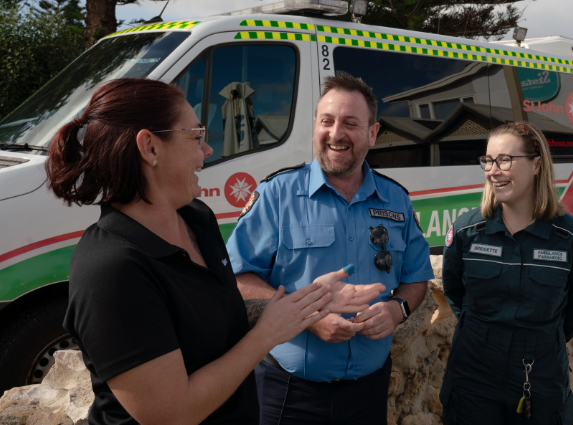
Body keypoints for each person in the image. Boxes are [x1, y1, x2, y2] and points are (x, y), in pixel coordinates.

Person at [46, 78, 384, 425]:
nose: (207, 151)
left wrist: (304, 304)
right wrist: (266, 334)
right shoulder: (110, 267)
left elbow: (219, 312)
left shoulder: (196, 219)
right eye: (196, 137)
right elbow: (172, 414)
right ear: (150, 148)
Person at [225, 71, 434, 425]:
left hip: (368, 392)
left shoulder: (396, 199)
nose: (336, 134)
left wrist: (396, 310)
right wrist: (308, 318)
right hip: (287, 393)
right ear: (315, 127)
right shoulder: (277, 195)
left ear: (373, 133)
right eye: (327, 121)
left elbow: (416, 277)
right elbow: (237, 277)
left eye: (350, 123)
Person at [440, 122, 573, 424]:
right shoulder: (465, 231)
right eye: (488, 160)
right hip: (473, 371)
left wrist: (537, 339)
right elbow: (454, 292)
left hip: (539, 374)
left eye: (505, 160)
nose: (493, 170)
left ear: (537, 164)